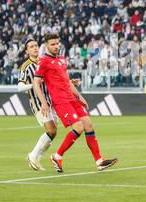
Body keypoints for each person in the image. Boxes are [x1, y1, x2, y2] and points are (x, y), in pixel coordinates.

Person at [33, 33, 117, 172]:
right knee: (78, 127)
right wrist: (43, 103)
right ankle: (57, 156)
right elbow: (36, 83)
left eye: (57, 43)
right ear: (46, 45)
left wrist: (79, 96)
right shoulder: (43, 61)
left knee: (88, 125)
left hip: (71, 99)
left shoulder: (61, 59)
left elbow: (66, 81)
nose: (56, 46)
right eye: (52, 44)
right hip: (60, 101)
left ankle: (99, 160)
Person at [17, 38, 80, 171]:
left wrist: (70, 83)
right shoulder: (26, 67)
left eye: (36, 45)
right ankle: (33, 155)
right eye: (31, 47)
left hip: (52, 101)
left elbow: (56, 78)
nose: (34, 48)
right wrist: (35, 84)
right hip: (39, 103)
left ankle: (36, 158)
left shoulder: (44, 61)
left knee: (53, 132)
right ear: (27, 51)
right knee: (51, 130)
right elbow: (19, 87)